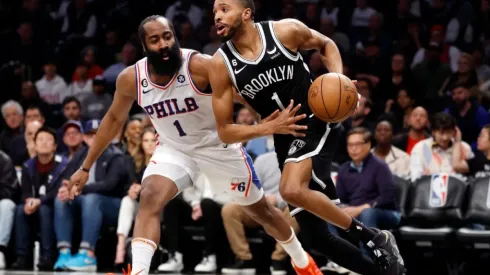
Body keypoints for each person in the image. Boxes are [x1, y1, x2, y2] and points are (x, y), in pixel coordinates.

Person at [67, 15, 321, 275]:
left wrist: (270, 119)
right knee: (150, 196)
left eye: (168, 36)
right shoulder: (131, 79)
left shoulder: (200, 65)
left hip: (218, 146)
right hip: (174, 148)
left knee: (263, 212)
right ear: (144, 47)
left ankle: (302, 261)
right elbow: (112, 120)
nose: (164, 44)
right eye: (155, 40)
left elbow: (244, 93)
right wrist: (86, 167)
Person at [209, 0, 404, 274]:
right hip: (283, 137)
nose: (217, 15)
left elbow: (326, 44)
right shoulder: (220, 64)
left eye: (224, 8)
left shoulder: (284, 32)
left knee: (290, 189)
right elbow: (225, 130)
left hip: (316, 118)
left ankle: (372, 237)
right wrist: (266, 128)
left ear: (246, 13)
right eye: (215, 10)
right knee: (317, 238)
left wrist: (339, 83)